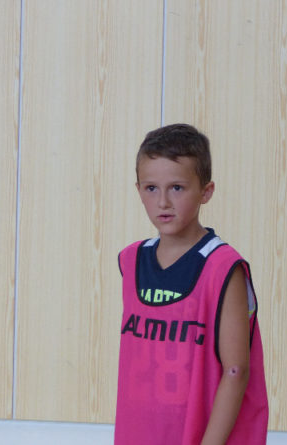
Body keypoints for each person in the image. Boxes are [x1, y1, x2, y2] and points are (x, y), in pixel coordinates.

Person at [115, 124, 268, 445]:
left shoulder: (223, 267)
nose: (163, 202)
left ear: (206, 192)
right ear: (138, 190)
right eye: (151, 188)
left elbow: (236, 370)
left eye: (177, 188)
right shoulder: (131, 260)